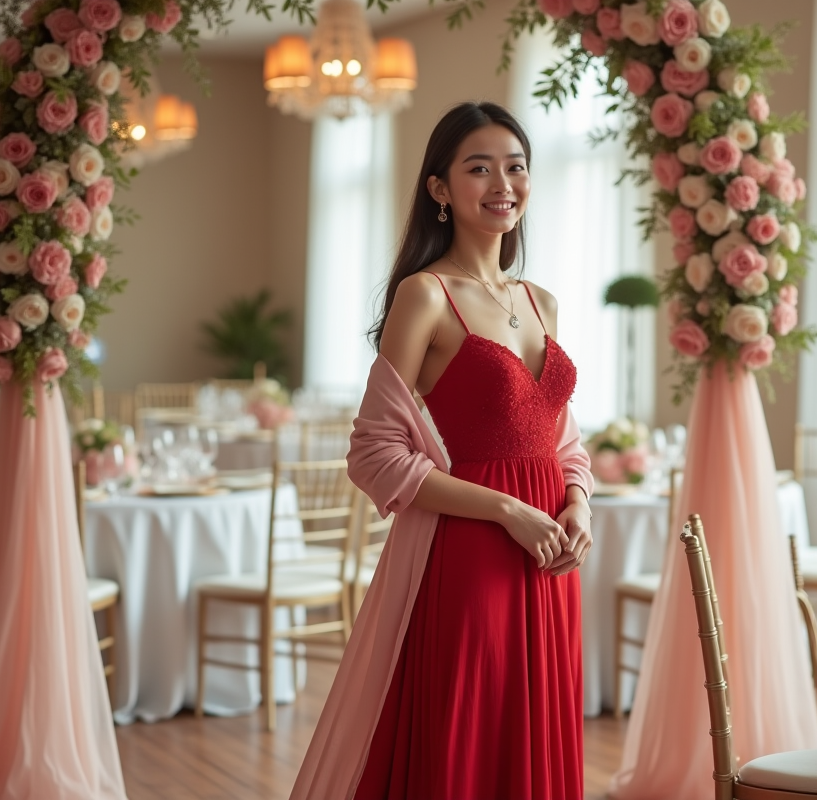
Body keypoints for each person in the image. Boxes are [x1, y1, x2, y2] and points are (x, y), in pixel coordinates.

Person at [289, 101, 595, 800]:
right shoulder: (424, 297)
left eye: (515, 167)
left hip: (552, 557)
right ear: (439, 189)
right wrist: (507, 511)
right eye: (478, 167)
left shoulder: (543, 301)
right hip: (470, 553)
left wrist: (577, 502)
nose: (502, 183)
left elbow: (563, 440)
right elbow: (375, 453)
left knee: (532, 736)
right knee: (470, 734)